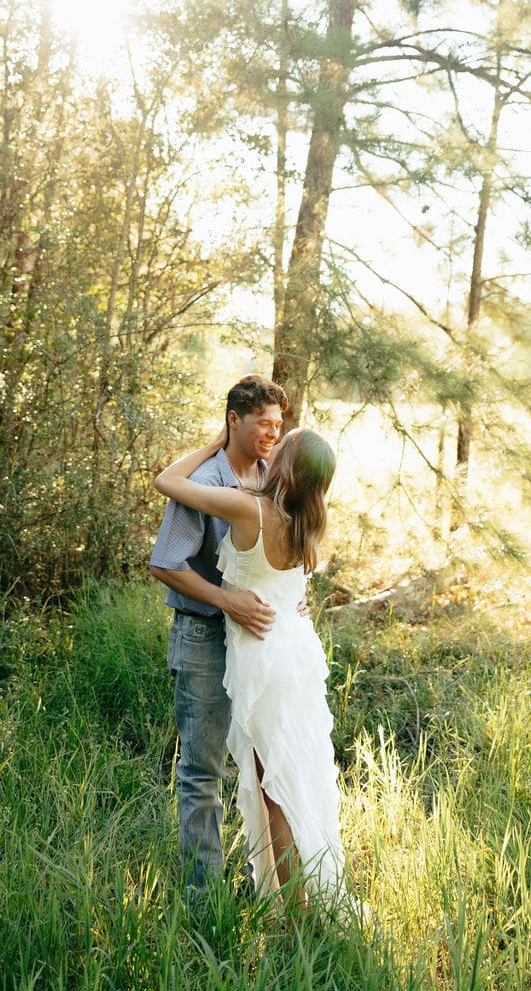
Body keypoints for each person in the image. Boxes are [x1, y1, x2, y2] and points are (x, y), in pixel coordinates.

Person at [153, 417, 345, 905]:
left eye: (283, 441)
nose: (273, 442)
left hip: (264, 657)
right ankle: (302, 898)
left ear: (285, 464)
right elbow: (289, 592)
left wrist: (215, 441)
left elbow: (167, 481)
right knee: (290, 775)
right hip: (296, 650)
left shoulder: (249, 508)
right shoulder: (306, 520)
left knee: (273, 785)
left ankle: (299, 912)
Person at [149, 374, 288, 895]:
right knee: (202, 771)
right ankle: (202, 897)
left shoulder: (275, 474)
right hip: (205, 635)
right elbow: (165, 562)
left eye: (279, 425)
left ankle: (272, 888)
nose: (272, 435)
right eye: (262, 424)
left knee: (269, 767)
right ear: (234, 419)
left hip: (260, 642)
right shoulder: (203, 480)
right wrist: (227, 599)